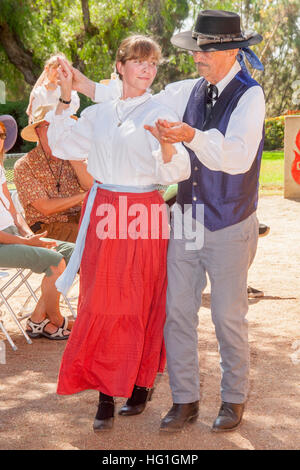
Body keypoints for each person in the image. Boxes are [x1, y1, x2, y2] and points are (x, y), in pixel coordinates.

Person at [76, 10, 266, 433]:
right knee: (176, 312)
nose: (197, 56)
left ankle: (233, 400)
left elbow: (235, 156)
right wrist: (82, 86)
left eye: (206, 50)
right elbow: (133, 96)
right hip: (186, 220)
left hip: (231, 222)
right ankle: (185, 401)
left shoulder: (251, 96)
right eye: (197, 48)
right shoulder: (187, 91)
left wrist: (189, 136)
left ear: (230, 51)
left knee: (226, 316)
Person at [45, 35, 191, 432]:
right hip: (105, 212)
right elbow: (59, 144)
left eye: (153, 63)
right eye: (139, 61)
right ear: (121, 66)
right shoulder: (99, 113)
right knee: (102, 302)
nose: (147, 69)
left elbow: (177, 172)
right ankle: (106, 395)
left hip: (145, 213)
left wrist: (164, 145)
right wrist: (63, 95)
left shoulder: (161, 112)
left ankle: (140, 385)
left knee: (143, 301)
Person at [0, 115, 75, 340]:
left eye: (2, 135)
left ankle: (37, 319)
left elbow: (13, 212)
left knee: (74, 253)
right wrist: (26, 242)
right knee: (55, 261)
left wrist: (29, 234)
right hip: (3, 243)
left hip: (14, 236)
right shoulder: (26, 165)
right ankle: (57, 320)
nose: (0, 139)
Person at [14, 105, 93, 243]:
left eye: (59, 125)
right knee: (95, 238)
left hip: (79, 219)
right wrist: (84, 196)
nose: (55, 131)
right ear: (38, 132)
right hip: (47, 227)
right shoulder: (25, 165)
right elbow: (46, 208)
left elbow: (90, 184)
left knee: (115, 229)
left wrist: (71, 155)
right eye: (49, 126)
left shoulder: (73, 155)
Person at [26, 53, 80, 124]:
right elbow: (36, 115)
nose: (59, 71)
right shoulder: (40, 92)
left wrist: (57, 90)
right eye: (55, 67)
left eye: (63, 69)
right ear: (47, 69)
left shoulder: (71, 90)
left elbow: (74, 107)